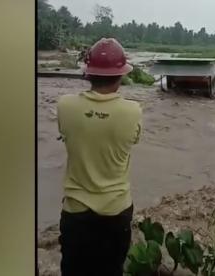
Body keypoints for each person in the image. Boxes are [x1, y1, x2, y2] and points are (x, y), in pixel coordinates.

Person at [56, 38, 142, 276]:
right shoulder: (133, 111)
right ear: (121, 75)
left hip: (76, 211)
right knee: (111, 270)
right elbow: (133, 140)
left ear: (88, 73)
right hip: (116, 210)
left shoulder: (65, 106)